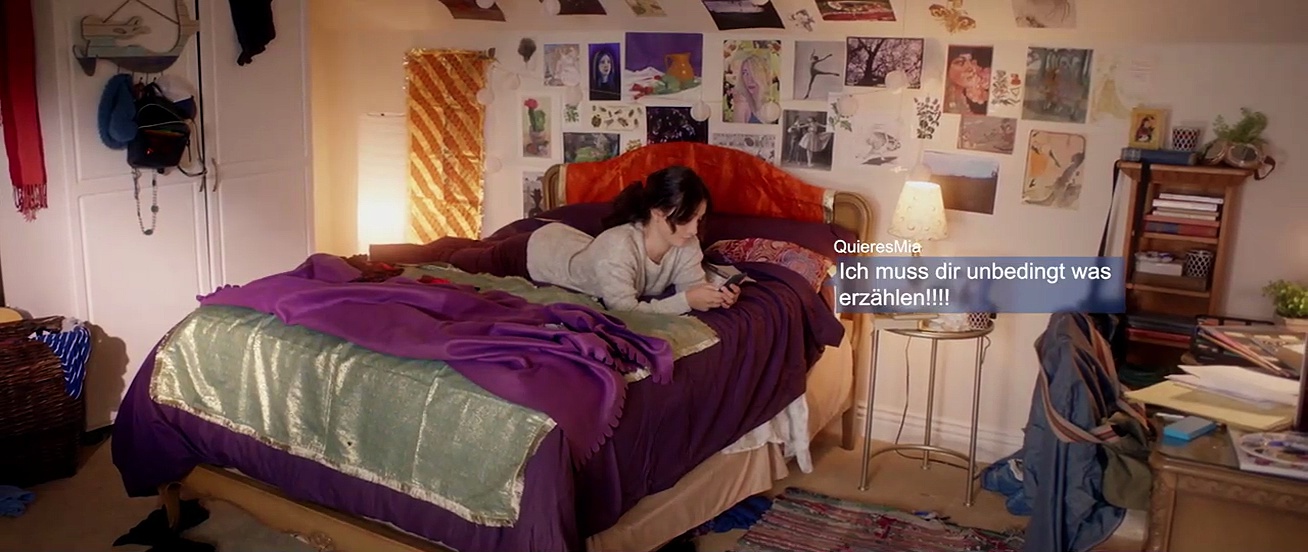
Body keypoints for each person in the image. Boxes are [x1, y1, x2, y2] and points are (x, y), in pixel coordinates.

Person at [525, 166, 740, 314]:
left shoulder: (686, 242)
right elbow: (625, 311)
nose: (694, 230)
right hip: (546, 253)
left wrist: (717, 296)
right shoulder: (618, 247)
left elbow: (692, 287)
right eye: (685, 219)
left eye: (699, 219)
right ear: (657, 212)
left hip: (585, 248)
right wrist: (685, 301)